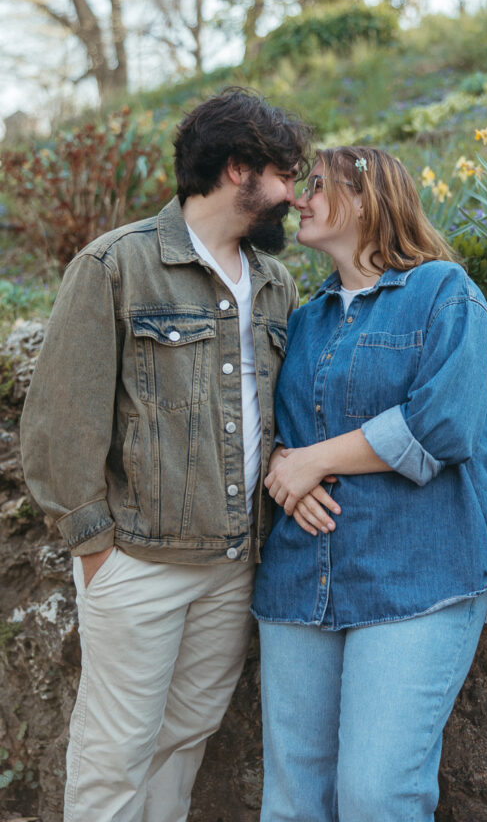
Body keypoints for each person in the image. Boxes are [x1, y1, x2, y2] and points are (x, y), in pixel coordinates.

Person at [20, 87, 311, 822]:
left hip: (232, 562)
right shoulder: (117, 264)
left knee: (184, 738)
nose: (292, 196)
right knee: (114, 751)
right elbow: (61, 419)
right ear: (239, 169)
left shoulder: (275, 282)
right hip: (138, 561)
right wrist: (94, 548)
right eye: (284, 175)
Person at [251, 146, 487, 822]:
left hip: (418, 578)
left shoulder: (443, 293)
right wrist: (283, 462)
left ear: (369, 200)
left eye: (316, 186)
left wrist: (310, 462)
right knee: (291, 804)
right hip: (300, 583)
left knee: (377, 797)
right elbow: (272, 430)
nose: (297, 198)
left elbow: (442, 425)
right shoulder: (306, 318)